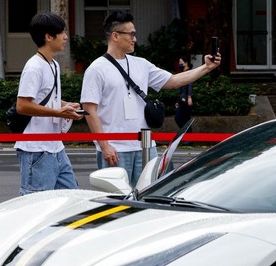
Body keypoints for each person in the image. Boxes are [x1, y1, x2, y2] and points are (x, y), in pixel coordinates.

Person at [80, 10, 221, 187]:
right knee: (117, 202)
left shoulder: (141, 64)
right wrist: (104, 146)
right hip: (115, 149)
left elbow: (174, 80)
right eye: (131, 34)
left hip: (146, 146)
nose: (135, 39)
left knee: (149, 197)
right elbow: (89, 110)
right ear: (115, 36)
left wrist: (206, 68)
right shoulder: (96, 69)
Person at [14, 12, 84, 195]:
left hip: (56, 147)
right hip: (36, 150)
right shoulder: (34, 67)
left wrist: (66, 105)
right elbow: (22, 106)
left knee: (70, 200)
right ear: (48, 37)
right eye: (62, 32)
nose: (66, 37)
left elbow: (47, 97)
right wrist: (58, 113)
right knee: (36, 207)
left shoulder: (53, 64)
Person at [174, 55, 194, 133]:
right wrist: (177, 101)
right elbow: (181, 89)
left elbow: (190, 84)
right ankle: (189, 138)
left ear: (186, 63)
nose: (179, 63)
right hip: (182, 99)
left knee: (179, 117)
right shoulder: (183, 73)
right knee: (185, 118)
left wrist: (189, 97)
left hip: (186, 99)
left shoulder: (189, 73)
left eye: (181, 62)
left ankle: (187, 136)